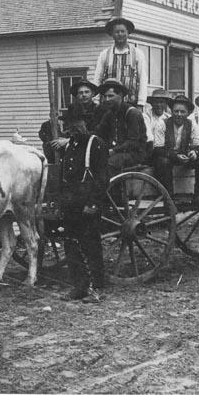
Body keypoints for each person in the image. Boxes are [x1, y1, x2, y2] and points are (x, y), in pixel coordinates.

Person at [57, 115, 108, 303]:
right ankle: (79, 287)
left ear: (86, 124)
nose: (75, 128)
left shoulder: (96, 144)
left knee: (90, 244)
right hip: (70, 203)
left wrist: (93, 203)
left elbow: (102, 177)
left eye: (78, 123)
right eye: (71, 124)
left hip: (87, 202)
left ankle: (97, 288)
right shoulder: (70, 146)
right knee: (71, 244)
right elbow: (64, 177)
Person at [152, 94, 199, 211]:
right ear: (171, 111)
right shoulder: (162, 124)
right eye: (176, 111)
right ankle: (169, 201)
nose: (179, 114)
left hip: (184, 158)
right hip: (167, 158)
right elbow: (158, 149)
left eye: (182, 112)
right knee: (163, 162)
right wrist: (175, 156)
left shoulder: (191, 124)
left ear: (188, 113)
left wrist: (195, 153)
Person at [95, 78, 147, 179]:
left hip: (135, 154)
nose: (107, 99)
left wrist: (113, 150)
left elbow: (133, 141)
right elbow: (99, 132)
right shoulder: (109, 114)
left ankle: (112, 188)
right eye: (105, 96)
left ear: (121, 95)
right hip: (118, 152)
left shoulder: (132, 113)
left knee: (110, 163)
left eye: (111, 96)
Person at [92, 16, 148, 107]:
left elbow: (143, 79)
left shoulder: (137, 53)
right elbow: (97, 79)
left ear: (128, 33)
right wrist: (96, 101)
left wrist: (141, 103)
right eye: (117, 32)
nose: (120, 34)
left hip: (130, 102)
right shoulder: (105, 54)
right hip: (108, 104)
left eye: (122, 31)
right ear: (112, 34)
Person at [49, 79, 102, 153]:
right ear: (77, 95)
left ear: (92, 94)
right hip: (74, 146)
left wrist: (69, 140)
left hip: (92, 147)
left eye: (87, 92)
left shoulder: (99, 110)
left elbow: (96, 133)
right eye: (80, 92)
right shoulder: (73, 109)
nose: (84, 95)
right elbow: (70, 128)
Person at [144, 88, 172, 160]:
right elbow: (149, 137)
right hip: (149, 151)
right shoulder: (146, 116)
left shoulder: (168, 118)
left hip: (164, 151)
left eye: (162, 102)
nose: (159, 105)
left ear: (166, 104)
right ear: (152, 103)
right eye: (156, 102)